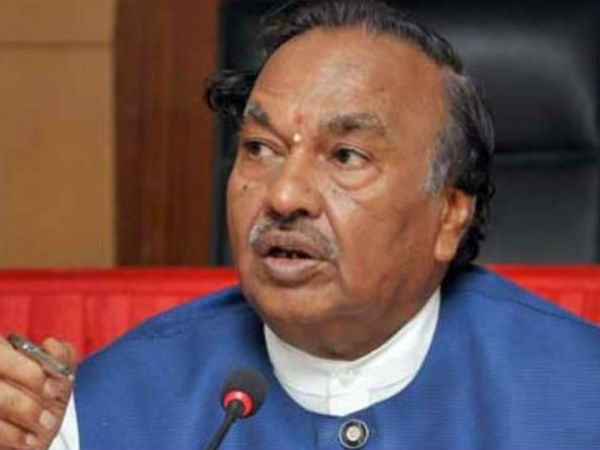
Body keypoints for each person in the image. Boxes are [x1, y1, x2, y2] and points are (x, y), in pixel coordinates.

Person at [2, 1, 600, 449]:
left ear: (449, 215)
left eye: (345, 156)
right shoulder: (107, 407)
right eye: (259, 148)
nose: (283, 195)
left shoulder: (581, 394)